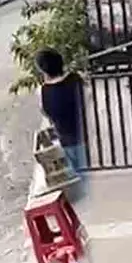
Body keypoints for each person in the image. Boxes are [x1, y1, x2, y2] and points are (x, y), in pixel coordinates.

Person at [36, 48, 87, 199]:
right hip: (88, 132)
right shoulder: (77, 79)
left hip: (68, 138)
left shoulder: (43, 92)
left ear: (43, 70)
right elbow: (89, 100)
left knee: (82, 172)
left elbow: (45, 112)